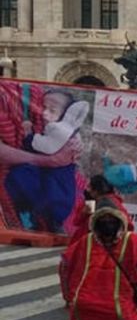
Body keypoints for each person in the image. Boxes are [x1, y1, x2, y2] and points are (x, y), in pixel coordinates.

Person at [5, 90, 88, 232]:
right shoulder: (54, 128)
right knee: (21, 177)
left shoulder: (62, 130)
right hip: (46, 173)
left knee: (55, 198)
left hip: (59, 175)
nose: (44, 113)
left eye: (52, 110)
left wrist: (29, 136)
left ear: (66, 115)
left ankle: (52, 221)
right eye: (43, 107)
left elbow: (47, 146)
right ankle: (35, 215)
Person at [69, 174, 133, 244]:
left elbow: (128, 225)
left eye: (90, 187)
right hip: (86, 243)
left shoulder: (112, 202)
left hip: (104, 244)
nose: (88, 190)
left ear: (96, 190)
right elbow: (76, 222)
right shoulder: (90, 202)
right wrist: (83, 213)